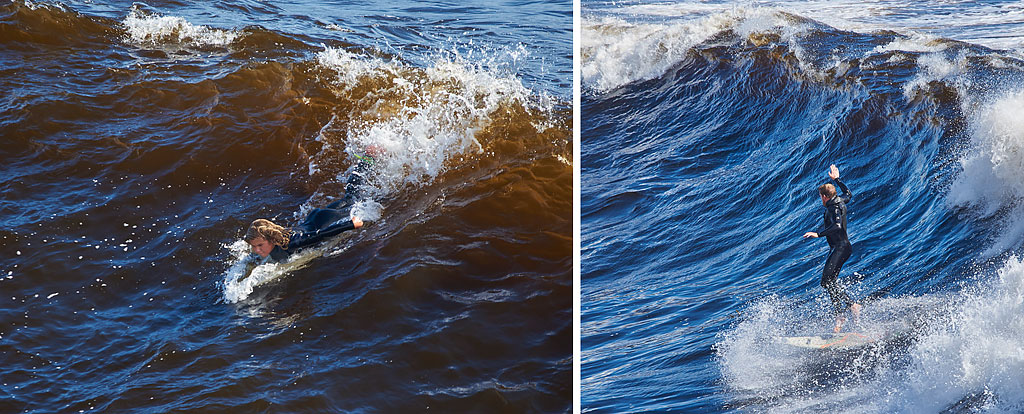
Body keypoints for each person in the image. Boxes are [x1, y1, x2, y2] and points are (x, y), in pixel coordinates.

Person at [244, 147, 379, 264]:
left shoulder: (291, 243)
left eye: (260, 245)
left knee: (360, 201)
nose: (257, 250)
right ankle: (369, 157)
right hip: (315, 217)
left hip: (325, 221)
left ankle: (370, 158)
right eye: (254, 246)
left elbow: (318, 235)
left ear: (271, 239)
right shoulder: (274, 240)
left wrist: (350, 224)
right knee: (350, 195)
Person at [803, 164, 863, 332]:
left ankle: (852, 306)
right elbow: (849, 194)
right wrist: (837, 179)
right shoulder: (840, 200)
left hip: (840, 248)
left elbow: (837, 226)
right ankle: (840, 316)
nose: (820, 200)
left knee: (826, 282)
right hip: (840, 248)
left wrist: (818, 233)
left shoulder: (832, 207)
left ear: (824, 197)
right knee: (829, 282)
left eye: (820, 197)